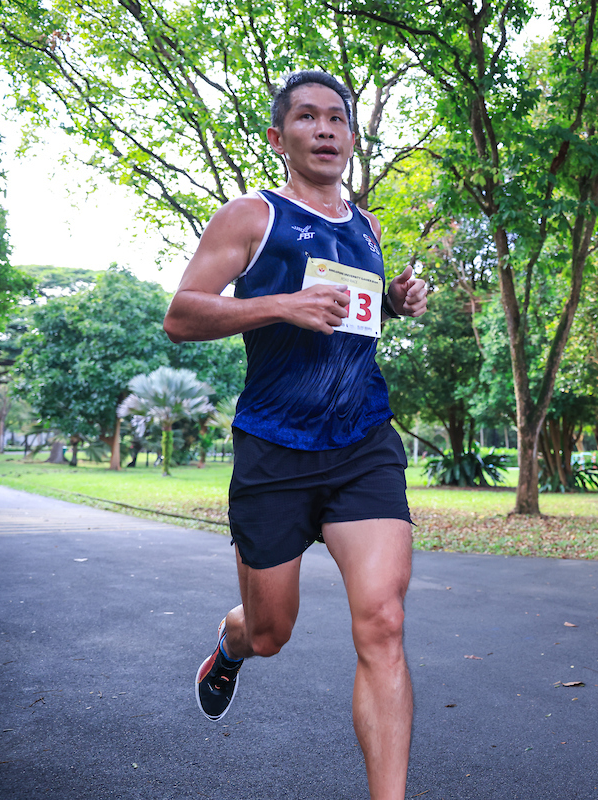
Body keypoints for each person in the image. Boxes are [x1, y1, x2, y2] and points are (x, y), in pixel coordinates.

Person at [162, 70, 428, 799]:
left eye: (337, 119)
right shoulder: (252, 216)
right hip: (275, 448)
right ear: (280, 139)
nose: (325, 130)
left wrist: (398, 302)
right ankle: (230, 643)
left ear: (350, 137)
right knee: (271, 632)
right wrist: (282, 305)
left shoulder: (365, 226)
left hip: (362, 441)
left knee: (383, 620)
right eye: (307, 118)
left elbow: (355, 313)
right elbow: (182, 316)